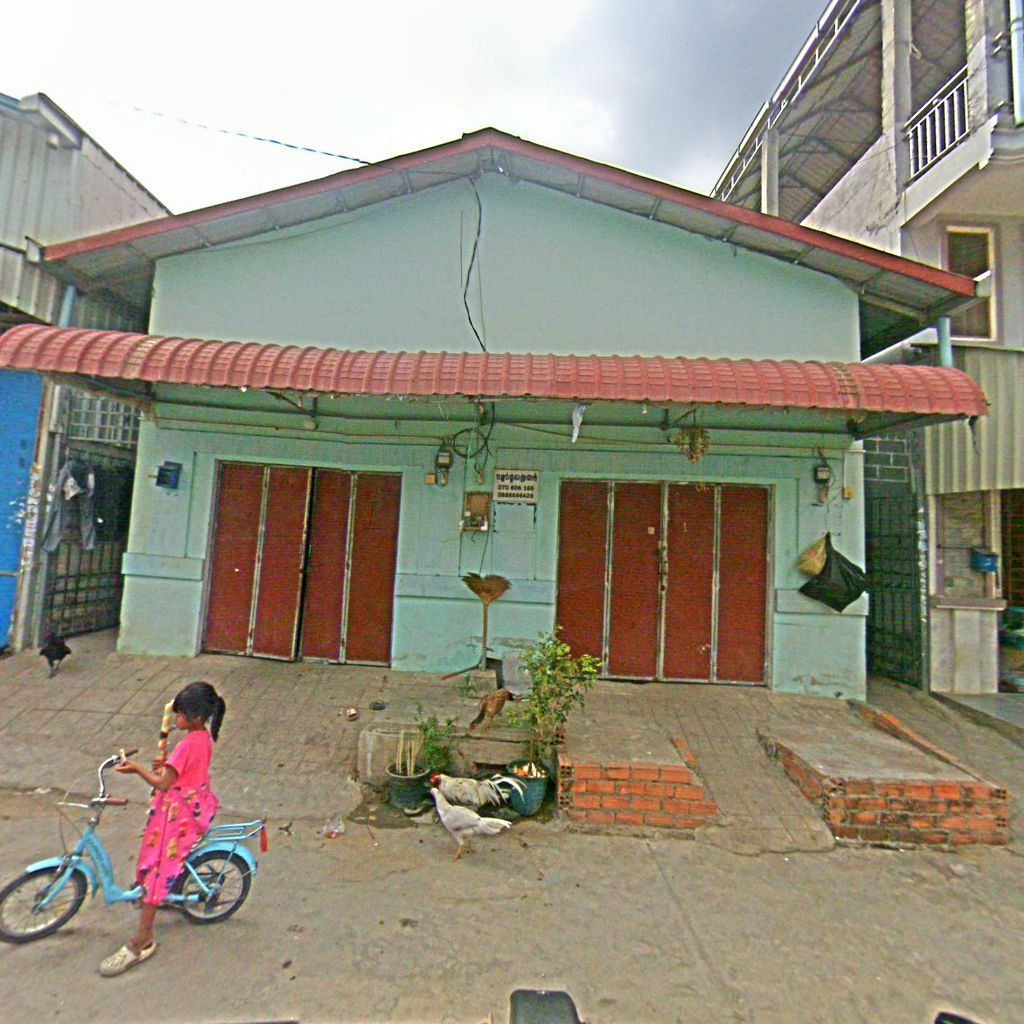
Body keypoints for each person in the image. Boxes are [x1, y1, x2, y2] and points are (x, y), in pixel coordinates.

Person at [99, 681, 225, 977]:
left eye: (180, 715)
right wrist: (166, 766)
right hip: (192, 806)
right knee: (161, 862)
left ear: (195, 718)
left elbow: (164, 784)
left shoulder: (186, 745)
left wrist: (137, 769)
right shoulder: (204, 738)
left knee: (157, 870)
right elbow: (182, 773)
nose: (175, 719)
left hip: (176, 815)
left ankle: (142, 939)